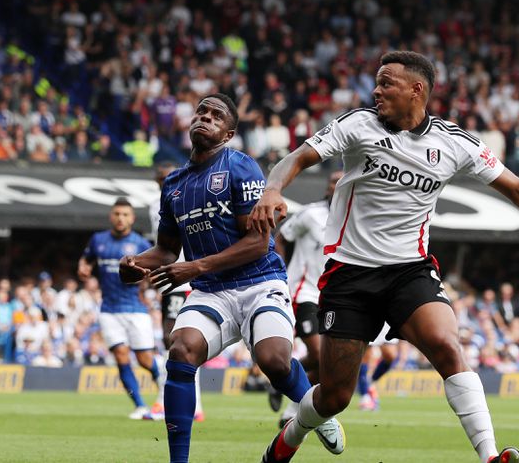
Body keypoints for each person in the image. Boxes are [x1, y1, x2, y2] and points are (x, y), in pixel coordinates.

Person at [250, 51, 519, 463]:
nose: (377, 90)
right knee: (334, 396)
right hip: (350, 275)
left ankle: (490, 456)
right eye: (377, 82)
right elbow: (298, 158)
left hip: (410, 271)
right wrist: (273, 189)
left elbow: (517, 188)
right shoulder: (358, 124)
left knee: (446, 344)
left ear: (416, 90)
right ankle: (287, 441)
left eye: (387, 83)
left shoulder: (454, 142)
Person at [118, 93, 345, 463]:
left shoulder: (242, 168)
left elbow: (258, 243)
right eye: (201, 112)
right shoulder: (173, 184)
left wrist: (196, 267)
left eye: (216, 115)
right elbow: (166, 251)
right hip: (211, 292)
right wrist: (135, 264)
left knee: (274, 362)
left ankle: (317, 412)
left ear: (228, 133)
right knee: (180, 352)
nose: (205, 118)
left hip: (260, 283)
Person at [79, 198, 164, 420]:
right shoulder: (98, 240)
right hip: (108, 309)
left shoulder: (140, 244)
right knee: (121, 355)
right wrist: (84, 269)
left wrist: (151, 281)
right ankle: (140, 406)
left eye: (125, 214)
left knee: (145, 359)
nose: (120, 218)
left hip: (135, 309)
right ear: (111, 216)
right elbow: (86, 260)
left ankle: (164, 393)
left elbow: (155, 268)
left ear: (132, 218)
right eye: (117, 214)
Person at [270, 170, 343, 424]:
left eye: (343, 181)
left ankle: (289, 406)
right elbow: (280, 238)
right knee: (321, 356)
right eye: (334, 181)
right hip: (303, 292)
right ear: (327, 188)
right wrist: (279, 267)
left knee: (326, 362)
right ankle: (284, 382)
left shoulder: (354, 216)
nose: (338, 185)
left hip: (332, 296)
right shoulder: (311, 214)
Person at [150, 160, 204, 422]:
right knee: (174, 341)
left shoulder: (185, 198)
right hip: (167, 280)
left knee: (175, 340)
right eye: (160, 179)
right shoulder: (156, 206)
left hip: (183, 281)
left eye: (167, 178)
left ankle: (166, 402)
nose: (164, 182)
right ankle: (193, 405)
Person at [356, 324, 398, 411]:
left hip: (386, 317)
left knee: (391, 355)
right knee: (365, 355)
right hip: (369, 315)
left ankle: (371, 382)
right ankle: (365, 397)